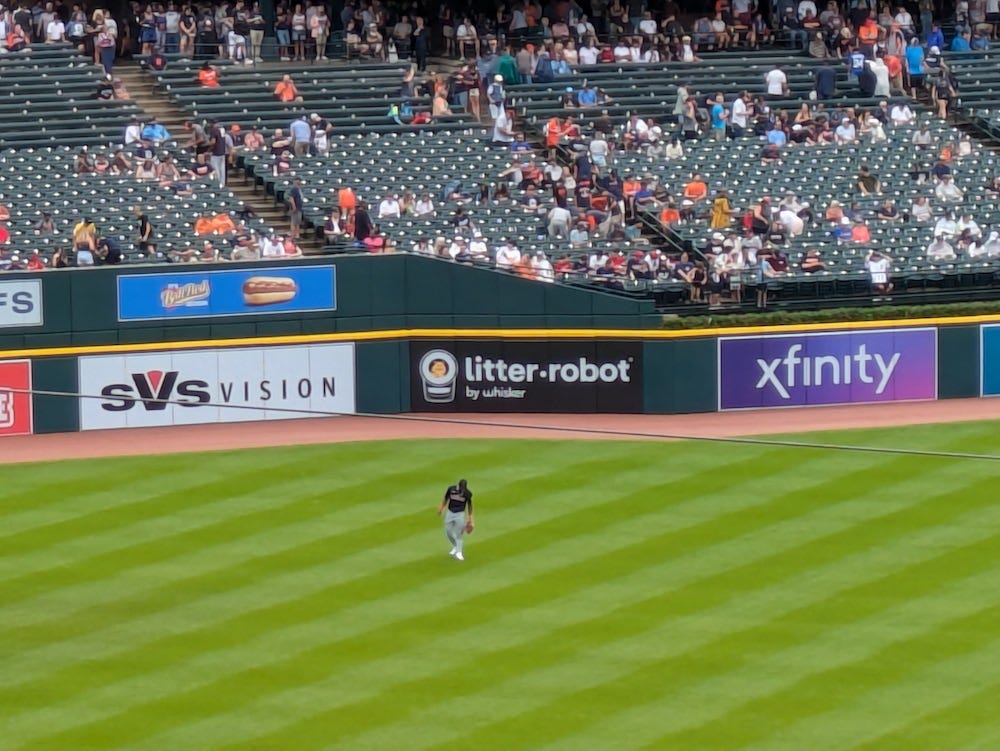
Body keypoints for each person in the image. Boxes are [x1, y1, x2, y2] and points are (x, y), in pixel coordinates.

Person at [438, 478, 474, 561]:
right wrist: (441, 508)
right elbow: (446, 499)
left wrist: (470, 518)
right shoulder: (451, 489)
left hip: (460, 514)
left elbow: (469, 505)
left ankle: (459, 552)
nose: (462, 491)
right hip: (450, 513)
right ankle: (455, 546)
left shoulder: (467, 493)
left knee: (459, 534)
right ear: (458, 485)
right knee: (448, 532)